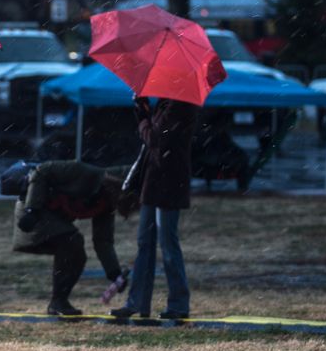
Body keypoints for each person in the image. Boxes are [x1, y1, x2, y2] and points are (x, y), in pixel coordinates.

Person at [111, 97, 199, 320]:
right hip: (155, 183)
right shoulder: (166, 103)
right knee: (145, 243)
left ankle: (178, 304)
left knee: (167, 243)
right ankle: (137, 302)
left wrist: (143, 117)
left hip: (169, 183)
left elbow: (155, 138)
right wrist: (143, 112)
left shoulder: (181, 104)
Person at [13, 160, 129, 316]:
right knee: (72, 242)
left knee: (77, 255)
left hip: (51, 216)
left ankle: (59, 301)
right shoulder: (83, 172)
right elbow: (41, 171)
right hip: (34, 210)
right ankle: (57, 301)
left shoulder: (106, 204)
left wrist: (114, 273)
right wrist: (32, 209)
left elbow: (103, 241)